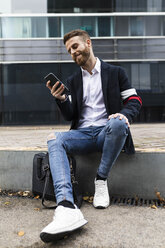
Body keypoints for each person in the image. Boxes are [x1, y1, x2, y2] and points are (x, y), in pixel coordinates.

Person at [40, 29, 142, 243]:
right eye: (69, 51)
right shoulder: (73, 80)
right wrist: (60, 100)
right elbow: (70, 115)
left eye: (75, 46)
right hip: (83, 134)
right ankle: (66, 206)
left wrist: (124, 115)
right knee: (54, 137)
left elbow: (135, 101)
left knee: (117, 123)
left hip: (109, 130)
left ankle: (101, 179)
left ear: (88, 43)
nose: (73, 53)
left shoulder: (115, 73)